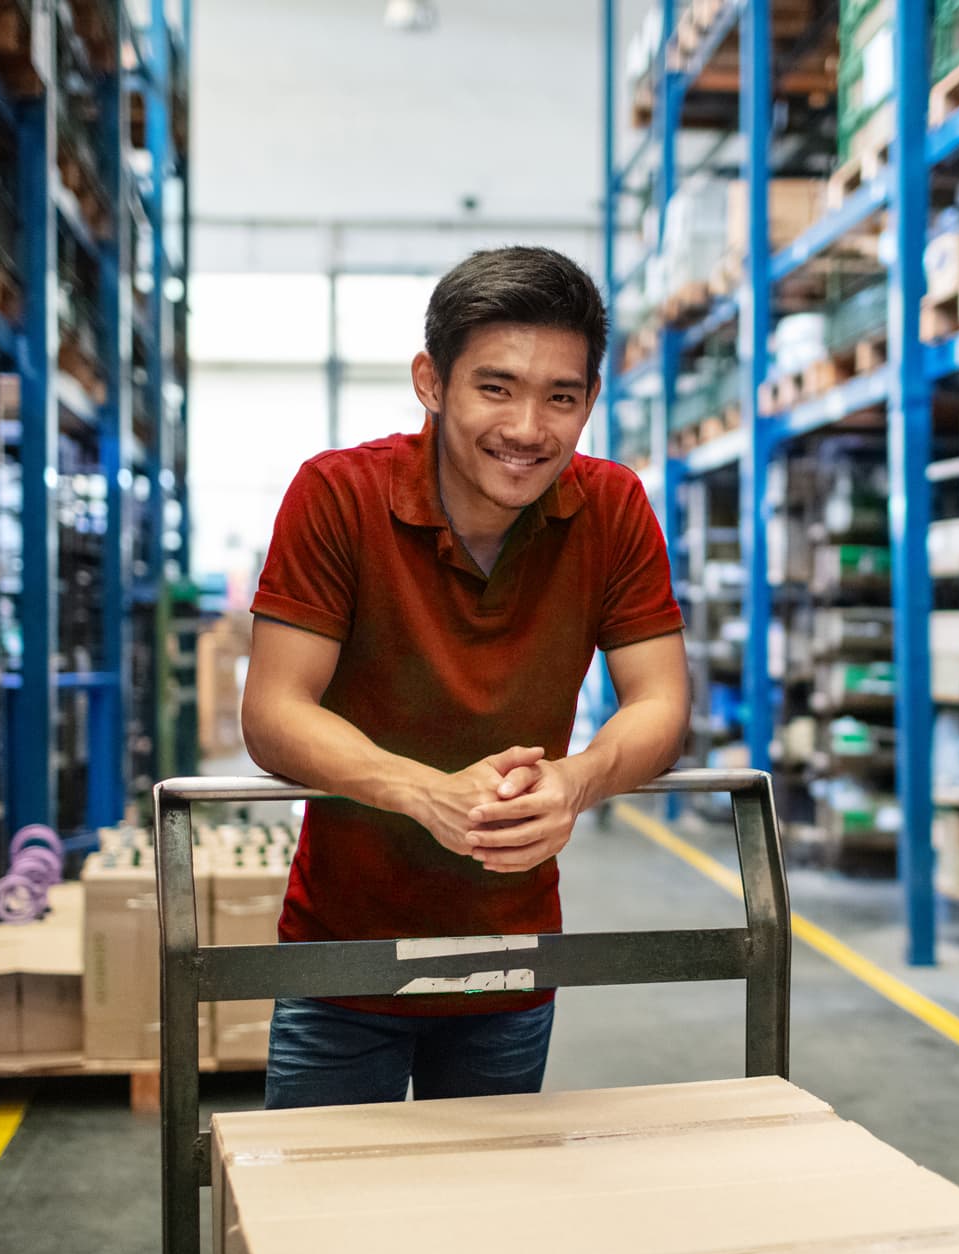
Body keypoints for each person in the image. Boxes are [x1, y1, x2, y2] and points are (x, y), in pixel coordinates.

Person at [241, 245, 690, 1109]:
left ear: (591, 400)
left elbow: (661, 700)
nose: (527, 428)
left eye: (561, 397)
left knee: (484, 1227)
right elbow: (272, 712)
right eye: (496, 387)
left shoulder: (614, 506)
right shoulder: (338, 495)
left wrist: (577, 781)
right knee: (322, 1227)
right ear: (431, 381)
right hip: (345, 955)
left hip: (512, 958)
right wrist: (424, 791)